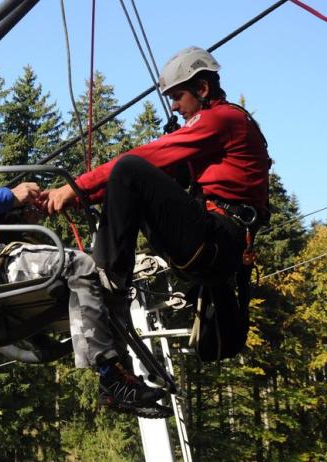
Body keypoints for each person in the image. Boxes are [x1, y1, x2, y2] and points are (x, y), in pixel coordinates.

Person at [0, 102, 166, 413]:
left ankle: (121, 375)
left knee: (102, 276)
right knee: (77, 264)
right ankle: (110, 377)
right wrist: (11, 195)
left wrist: (20, 212)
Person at [44, 47, 270, 358]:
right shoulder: (215, 129)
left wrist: (76, 188)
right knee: (137, 177)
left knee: (131, 167)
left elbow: (143, 160)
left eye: (178, 97)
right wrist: (74, 196)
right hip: (212, 242)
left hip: (218, 238)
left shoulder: (222, 119)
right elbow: (143, 176)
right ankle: (110, 274)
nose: (175, 107)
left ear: (202, 89)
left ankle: (109, 279)